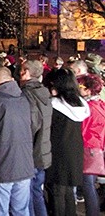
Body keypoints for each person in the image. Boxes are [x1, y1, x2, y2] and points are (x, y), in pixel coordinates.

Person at [0, 67, 34, 215]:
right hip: (24, 164)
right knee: (21, 210)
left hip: (2, 165)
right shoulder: (24, 99)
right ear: (12, 79)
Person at [46, 69, 90, 216]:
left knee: (57, 192)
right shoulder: (80, 103)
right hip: (75, 149)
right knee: (69, 191)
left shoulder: (54, 104)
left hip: (58, 151)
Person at [20, 60, 52, 216]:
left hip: (31, 152)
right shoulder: (44, 94)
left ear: (26, 73)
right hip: (43, 151)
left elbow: (31, 125)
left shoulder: (27, 95)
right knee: (36, 192)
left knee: (29, 195)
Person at [77, 74, 105, 216]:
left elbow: (83, 129)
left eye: (80, 86)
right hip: (96, 147)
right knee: (90, 183)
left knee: (87, 185)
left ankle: (92, 213)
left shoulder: (89, 108)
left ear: (88, 90)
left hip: (88, 148)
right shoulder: (100, 104)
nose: (77, 88)